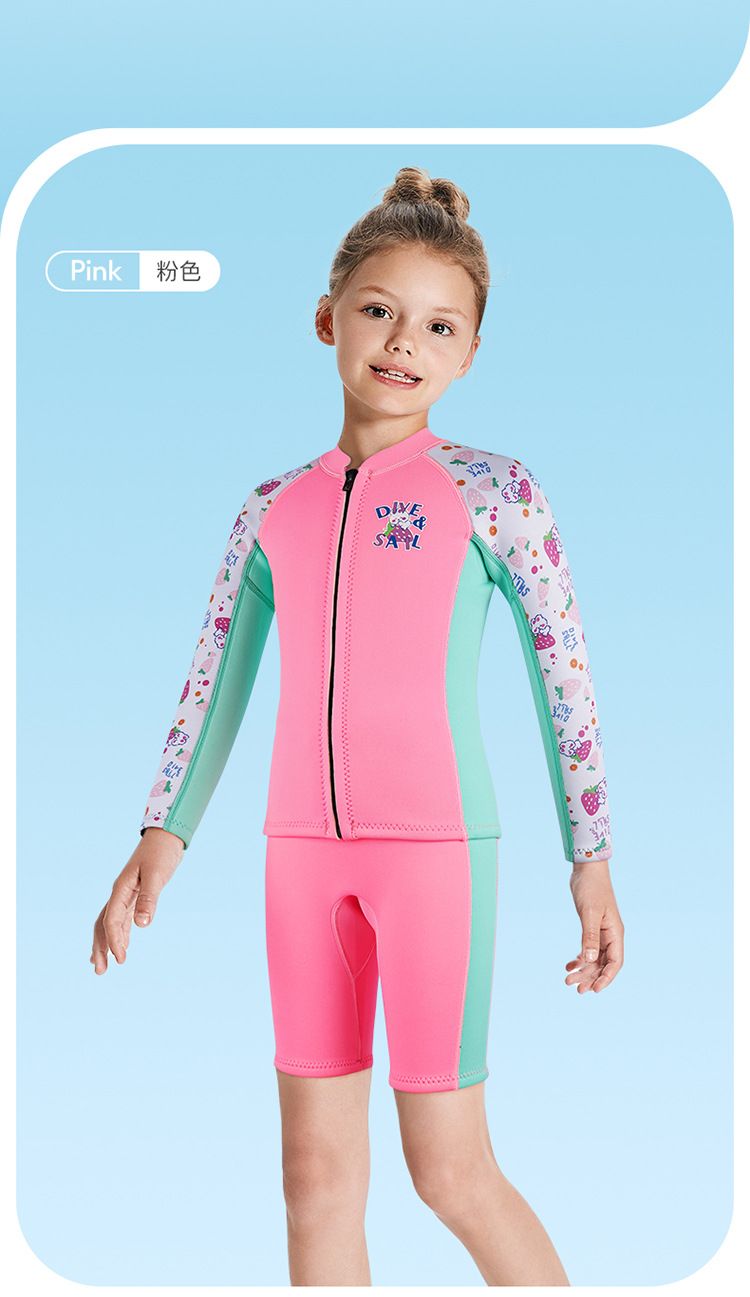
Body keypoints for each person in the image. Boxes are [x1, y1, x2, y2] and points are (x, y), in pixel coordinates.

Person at [90, 165, 624, 1286]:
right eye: (379, 309)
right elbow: (214, 681)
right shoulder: (269, 508)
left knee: (450, 1171)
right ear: (328, 316)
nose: (403, 342)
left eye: (439, 325)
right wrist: (162, 832)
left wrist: (592, 859)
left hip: (436, 858)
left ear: (469, 353)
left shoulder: (496, 492)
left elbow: (563, 681)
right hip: (300, 859)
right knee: (314, 1181)